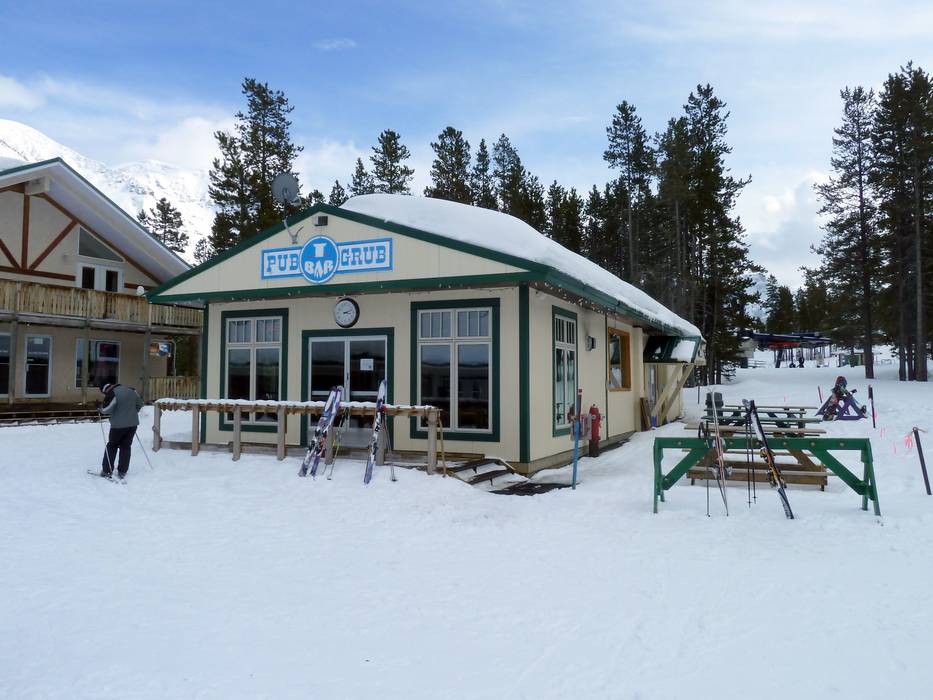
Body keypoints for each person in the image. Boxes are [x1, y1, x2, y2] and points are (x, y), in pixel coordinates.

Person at [99, 382, 144, 479]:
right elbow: (140, 403)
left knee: (112, 446)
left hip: (118, 426)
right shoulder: (132, 390)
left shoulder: (112, 393)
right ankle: (122, 471)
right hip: (132, 424)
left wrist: (100, 408)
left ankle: (107, 470)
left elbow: (107, 410)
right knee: (126, 446)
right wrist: (131, 413)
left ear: (105, 390)